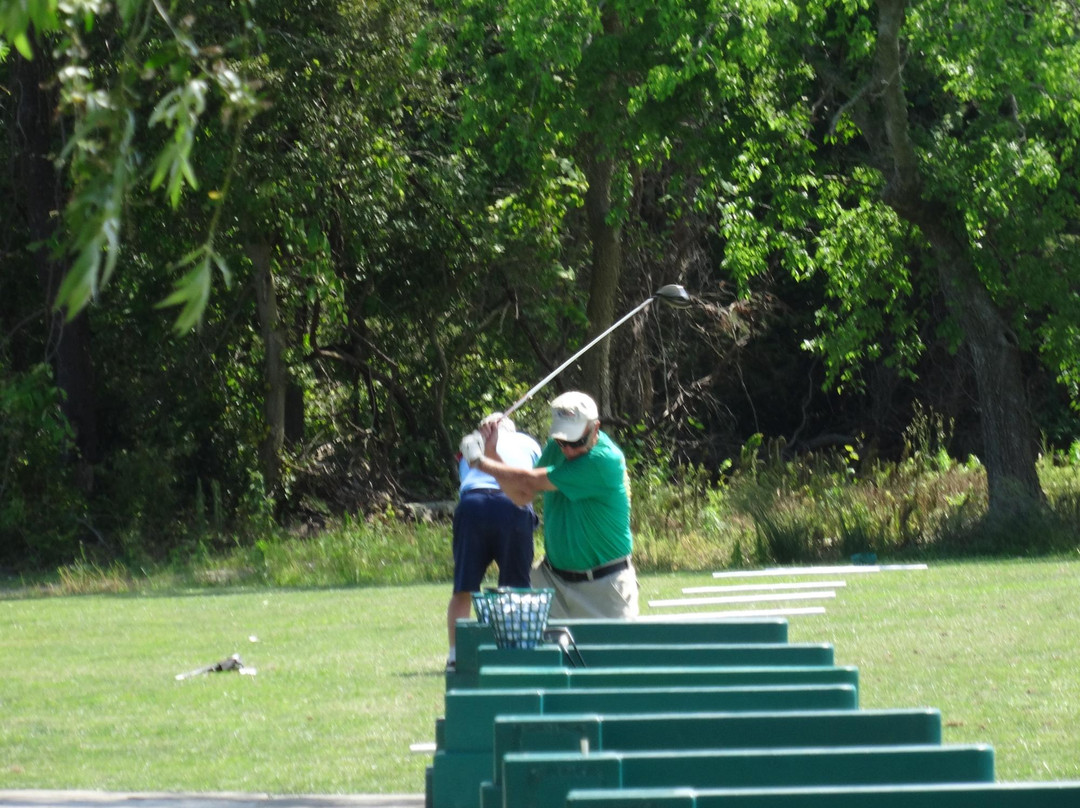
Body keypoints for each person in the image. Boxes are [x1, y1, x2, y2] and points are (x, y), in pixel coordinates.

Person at [461, 391, 639, 620]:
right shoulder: (557, 449)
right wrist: (492, 452)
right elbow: (522, 496)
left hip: (604, 587)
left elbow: (529, 480)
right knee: (537, 655)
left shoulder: (604, 461)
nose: (568, 449)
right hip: (553, 582)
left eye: (576, 442)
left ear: (595, 429)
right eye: (562, 440)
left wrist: (479, 462)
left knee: (611, 656)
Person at [447, 412, 541, 671]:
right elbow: (534, 480)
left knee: (463, 587)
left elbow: (465, 473)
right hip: (512, 507)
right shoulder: (528, 442)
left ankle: (455, 655)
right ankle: (515, 652)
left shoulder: (470, 444)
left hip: (472, 505)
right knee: (516, 589)